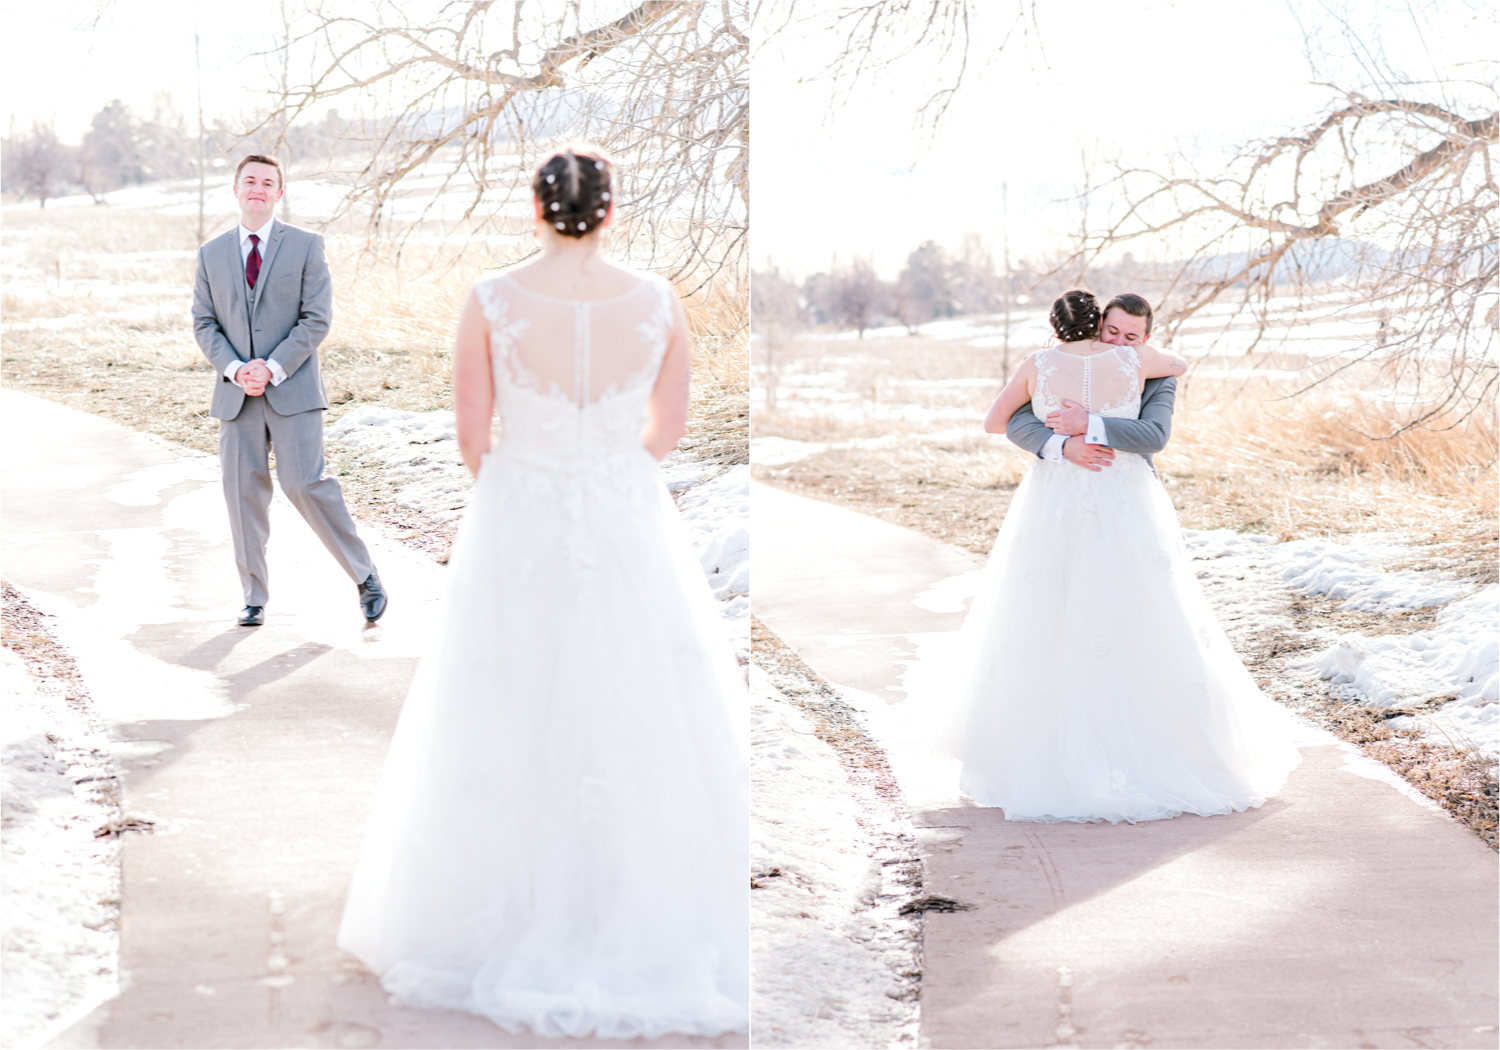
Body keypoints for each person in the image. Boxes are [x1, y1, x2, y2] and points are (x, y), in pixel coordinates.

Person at [336, 145, 749, 1039]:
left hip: (519, 515)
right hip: (623, 511)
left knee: (508, 698)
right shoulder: (658, 301)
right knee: (634, 699)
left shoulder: (492, 298)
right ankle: (628, 902)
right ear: (611, 208)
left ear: (535, 205)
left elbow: (471, 431)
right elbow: (666, 427)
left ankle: (501, 905)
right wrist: (606, 481)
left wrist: (528, 490)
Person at [935, 289, 1301, 823]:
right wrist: (1062, 444)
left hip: (1088, 498)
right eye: (1113, 331)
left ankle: (1119, 753)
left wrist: (1087, 425)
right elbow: (1018, 423)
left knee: (1111, 611)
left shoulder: (1057, 365)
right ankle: (1094, 753)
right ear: (1100, 323)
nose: (1120, 342)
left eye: (1131, 336)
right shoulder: (1136, 362)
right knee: (1077, 610)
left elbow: (1153, 434)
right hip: (1092, 490)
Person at [191, 153, 386, 627]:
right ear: (236, 190)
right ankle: (253, 596)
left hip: (293, 389)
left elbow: (315, 318)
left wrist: (273, 367)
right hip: (237, 396)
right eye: (249, 180)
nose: (257, 188)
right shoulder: (210, 254)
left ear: (279, 193)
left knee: (304, 484)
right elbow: (204, 322)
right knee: (242, 494)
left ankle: (364, 575)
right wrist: (237, 369)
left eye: (267, 182)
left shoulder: (305, 245)